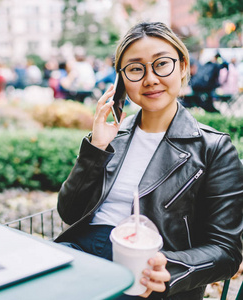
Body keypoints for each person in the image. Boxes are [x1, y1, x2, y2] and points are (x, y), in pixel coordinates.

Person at [54, 22, 243, 300]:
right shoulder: (111, 136)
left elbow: (226, 251)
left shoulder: (214, 148)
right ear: (121, 80)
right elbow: (69, 213)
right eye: (135, 69)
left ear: (182, 66)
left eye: (161, 64)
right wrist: (97, 146)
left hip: (147, 272)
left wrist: (171, 269)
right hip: (82, 253)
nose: (150, 78)